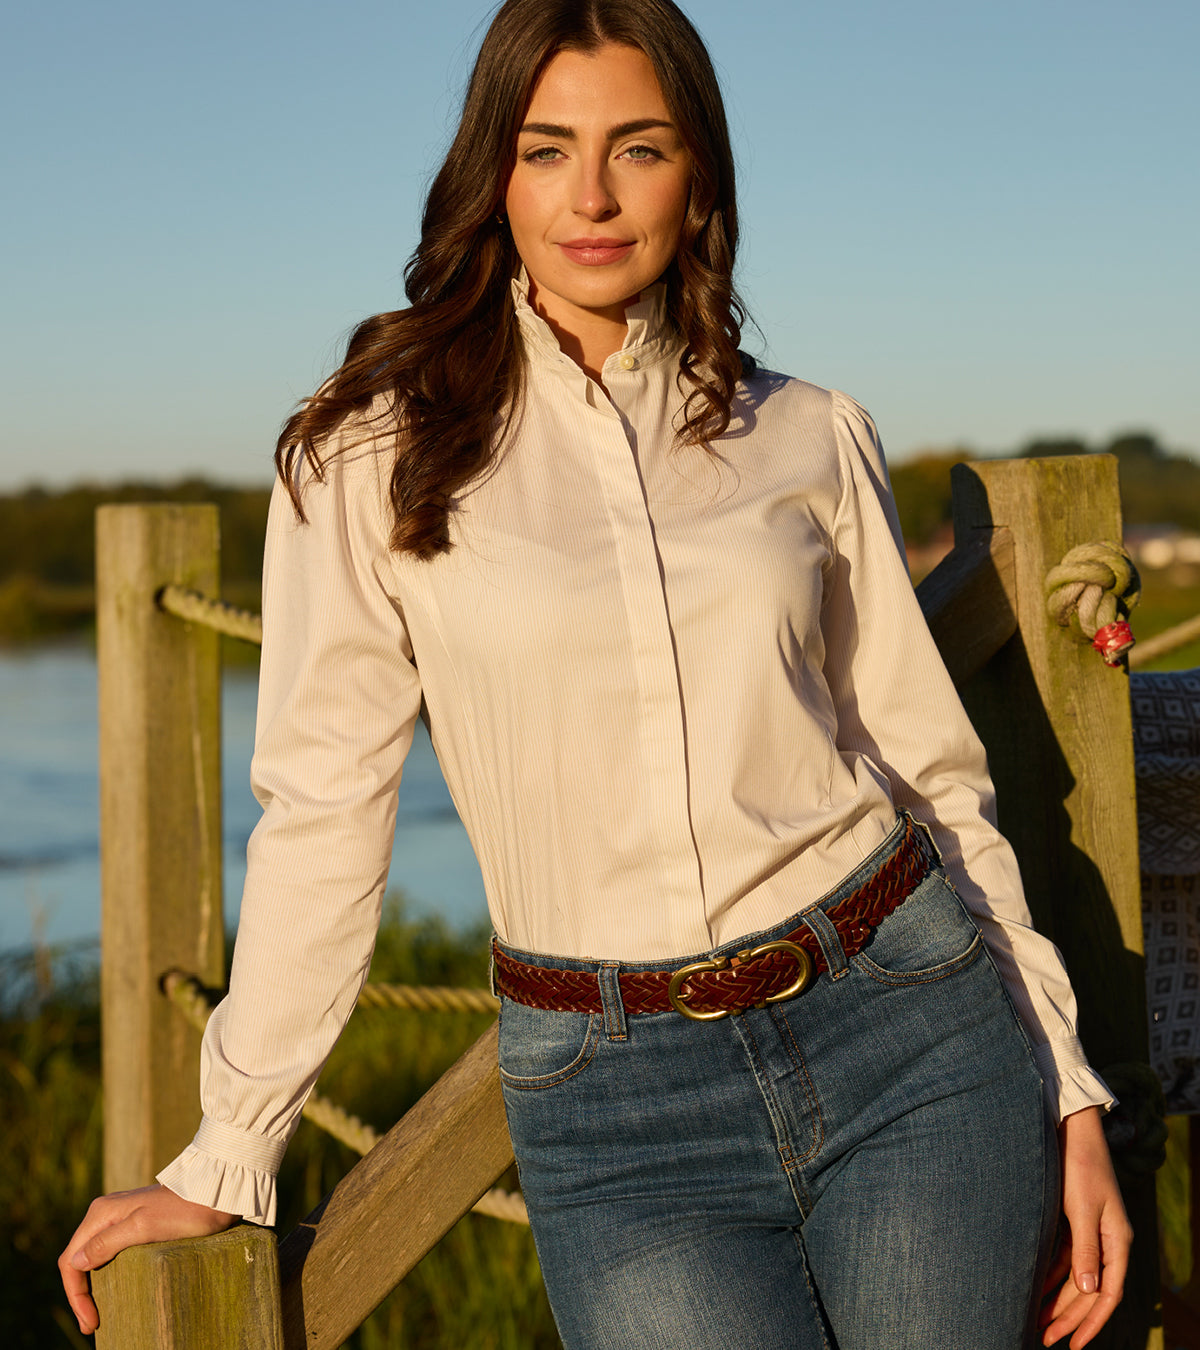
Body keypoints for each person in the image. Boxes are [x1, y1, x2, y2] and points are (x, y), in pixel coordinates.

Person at [61, 1, 1133, 1345]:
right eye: (546, 148)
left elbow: (932, 774)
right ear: (490, 175)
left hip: (910, 1033)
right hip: (616, 1107)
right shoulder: (366, 456)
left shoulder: (808, 429)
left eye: (639, 147)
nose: (592, 195)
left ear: (699, 183)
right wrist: (226, 1153)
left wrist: (1067, 1084)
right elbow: (325, 807)